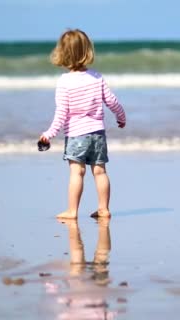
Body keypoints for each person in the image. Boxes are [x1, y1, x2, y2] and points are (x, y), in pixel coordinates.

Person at [39, 29, 126, 219]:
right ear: (87, 51)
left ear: (62, 53)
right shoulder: (96, 77)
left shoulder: (64, 82)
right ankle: (104, 209)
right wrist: (121, 116)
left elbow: (61, 113)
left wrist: (49, 133)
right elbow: (112, 101)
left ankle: (72, 211)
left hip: (77, 135)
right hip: (97, 133)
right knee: (100, 171)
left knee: (77, 172)